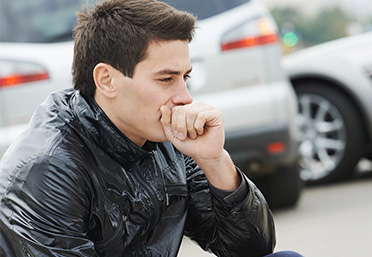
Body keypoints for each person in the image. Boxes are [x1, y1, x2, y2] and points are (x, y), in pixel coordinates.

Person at [0, 0, 302, 256]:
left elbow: (253, 248)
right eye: (166, 79)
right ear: (106, 80)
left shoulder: (165, 140)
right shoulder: (49, 167)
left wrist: (216, 161)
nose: (184, 98)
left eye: (186, 77)